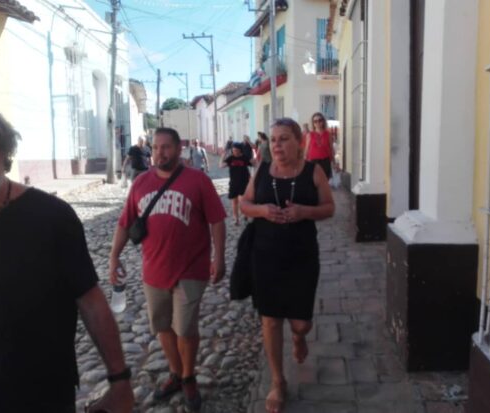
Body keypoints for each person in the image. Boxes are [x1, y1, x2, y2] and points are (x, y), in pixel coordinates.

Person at [0, 101, 134, 413]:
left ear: (4, 151)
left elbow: (91, 301)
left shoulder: (52, 217)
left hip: (42, 395)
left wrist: (120, 380)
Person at [109, 127, 226, 412]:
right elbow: (125, 223)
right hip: (154, 270)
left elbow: (217, 221)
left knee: (185, 327)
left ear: (179, 149)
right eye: (156, 147)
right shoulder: (140, 184)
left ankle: (188, 377)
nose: (161, 152)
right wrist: (114, 257)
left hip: (191, 268)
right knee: (161, 325)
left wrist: (219, 258)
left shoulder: (197, 181)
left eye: (167, 147)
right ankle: (175, 372)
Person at [240, 118, 335, 413]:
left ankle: (298, 337)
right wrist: (263, 211)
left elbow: (329, 207)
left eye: (284, 139)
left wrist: (304, 211)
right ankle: (278, 382)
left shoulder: (313, 172)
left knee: (301, 322)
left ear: (299, 142)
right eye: (274, 139)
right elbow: (245, 204)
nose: (277, 145)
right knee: (269, 320)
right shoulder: (262, 172)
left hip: (303, 257)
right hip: (265, 256)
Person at [220, 142, 253, 226]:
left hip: (244, 183)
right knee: (234, 202)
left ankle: (245, 214)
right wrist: (223, 155)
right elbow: (221, 166)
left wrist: (253, 151)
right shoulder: (230, 158)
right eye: (233, 150)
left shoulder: (244, 158)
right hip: (233, 183)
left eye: (236, 150)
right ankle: (236, 219)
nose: (234, 151)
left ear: (240, 150)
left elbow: (254, 163)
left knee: (242, 201)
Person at [304, 112, 333, 179]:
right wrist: (304, 161)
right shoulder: (309, 135)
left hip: (325, 161)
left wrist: (334, 162)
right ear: (313, 123)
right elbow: (307, 149)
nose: (318, 123)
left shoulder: (328, 134)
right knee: (314, 180)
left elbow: (331, 148)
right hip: (313, 161)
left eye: (320, 120)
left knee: (325, 180)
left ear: (323, 121)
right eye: (315, 121)